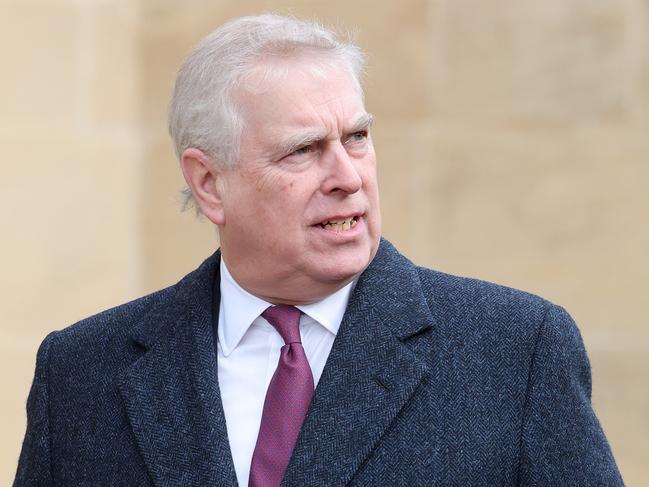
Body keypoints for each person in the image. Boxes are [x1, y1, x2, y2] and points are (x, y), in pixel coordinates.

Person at [15, 14, 623, 487]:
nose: (347, 176)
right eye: (303, 150)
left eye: (357, 137)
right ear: (209, 183)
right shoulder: (80, 373)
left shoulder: (515, 350)